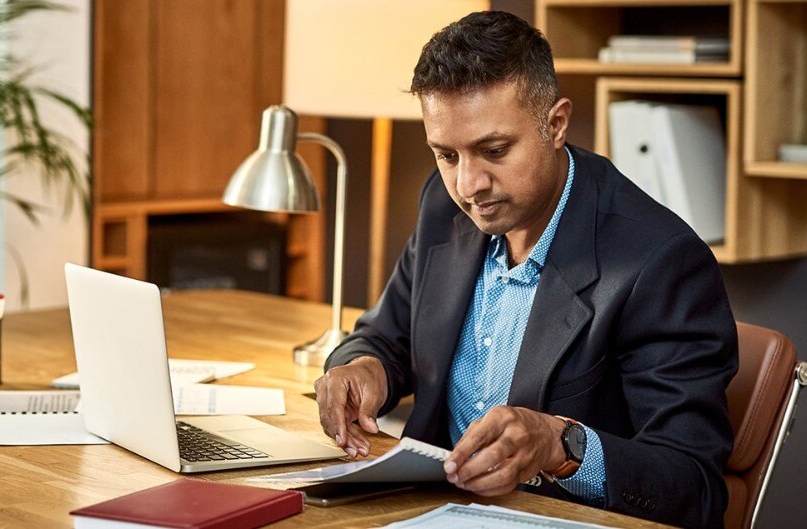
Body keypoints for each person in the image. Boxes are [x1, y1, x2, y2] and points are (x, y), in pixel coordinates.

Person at [313, 11, 738, 529]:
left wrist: (561, 445)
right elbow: (386, 336)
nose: (469, 184)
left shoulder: (659, 261)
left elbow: (693, 485)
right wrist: (363, 368)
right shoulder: (444, 204)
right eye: (446, 155)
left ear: (556, 124)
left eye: (494, 150)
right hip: (426, 510)